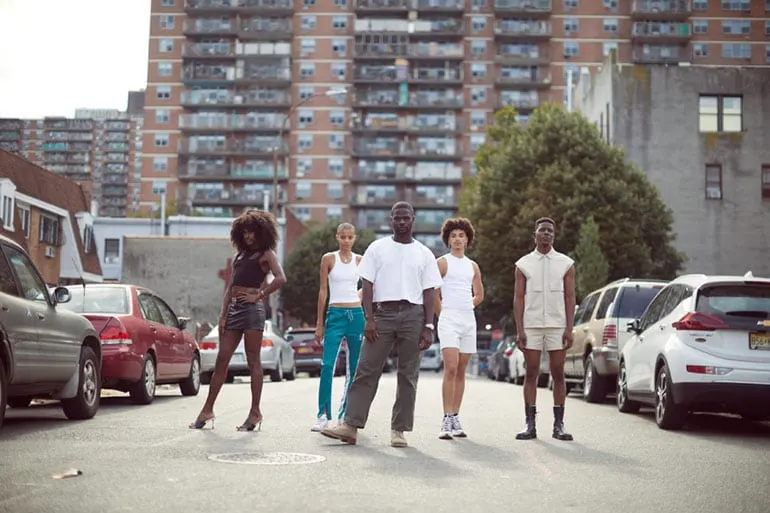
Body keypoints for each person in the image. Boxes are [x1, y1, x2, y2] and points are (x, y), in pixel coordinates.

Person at [320, 201, 443, 448]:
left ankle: (399, 430)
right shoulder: (377, 248)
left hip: (414, 315)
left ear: (413, 219)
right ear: (391, 220)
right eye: (397, 218)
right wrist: (369, 319)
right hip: (383, 314)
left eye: (406, 218)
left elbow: (430, 292)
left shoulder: (424, 253)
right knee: (366, 369)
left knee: (408, 375)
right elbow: (367, 285)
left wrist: (429, 327)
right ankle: (351, 425)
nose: (401, 222)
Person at [188, 209, 287, 432]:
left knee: (254, 362)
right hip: (234, 310)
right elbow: (231, 287)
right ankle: (207, 410)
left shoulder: (267, 254)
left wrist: (259, 296)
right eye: (245, 232)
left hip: (252, 311)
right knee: (222, 359)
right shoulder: (240, 255)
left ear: (261, 232)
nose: (248, 236)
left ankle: (255, 412)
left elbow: (281, 278)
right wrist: (222, 315)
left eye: (252, 232)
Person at [513, 217, 576, 441]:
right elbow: (518, 298)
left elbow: (570, 297)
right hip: (531, 325)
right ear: (535, 235)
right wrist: (520, 329)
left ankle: (559, 425)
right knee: (531, 373)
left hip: (557, 326)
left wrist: (569, 328)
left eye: (550, 230)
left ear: (554, 235)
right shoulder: (523, 264)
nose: (547, 233)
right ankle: (529, 425)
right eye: (542, 230)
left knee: (558, 373)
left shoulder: (565, 263)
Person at [311, 222, 365, 432]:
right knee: (327, 365)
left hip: (356, 316)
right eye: (343, 237)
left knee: (354, 368)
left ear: (354, 238)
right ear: (337, 237)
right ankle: (323, 414)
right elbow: (322, 291)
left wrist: (358, 298)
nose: (346, 241)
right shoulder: (328, 259)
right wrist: (319, 323)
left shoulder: (360, 260)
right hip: (335, 314)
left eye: (350, 237)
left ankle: (345, 416)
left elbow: (370, 286)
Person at [434, 217, 484, 440]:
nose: (457, 239)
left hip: (468, 320)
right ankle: (446, 419)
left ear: (467, 239)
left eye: (461, 235)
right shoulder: (442, 263)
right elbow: (433, 293)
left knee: (462, 370)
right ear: (448, 239)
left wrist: (467, 305)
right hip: (448, 320)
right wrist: (443, 314)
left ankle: (455, 416)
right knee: (451, 368)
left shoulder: (473, 266)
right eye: (453, 236)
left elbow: (479, 294)